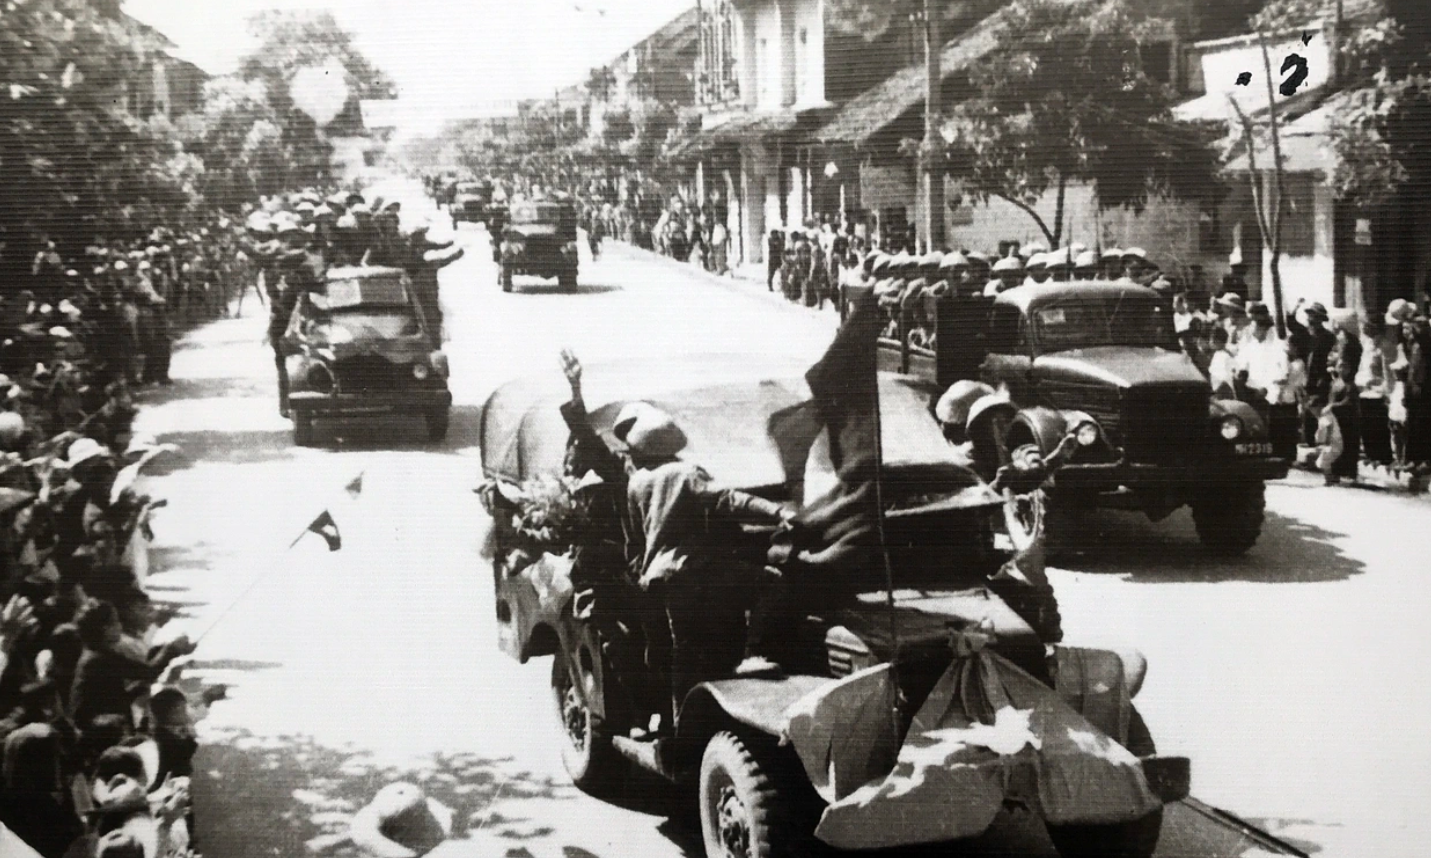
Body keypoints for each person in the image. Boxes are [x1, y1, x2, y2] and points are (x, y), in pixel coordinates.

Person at [557, 352, 791, 723]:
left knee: (672, 653)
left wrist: (575, 388)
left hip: (654, 581)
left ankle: (675, 723)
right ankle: (752, 655)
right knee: (771, 584)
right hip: (689, 572)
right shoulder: (684, 473)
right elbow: (729, 500)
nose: (625, 453)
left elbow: (637, 541)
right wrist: (778, 512)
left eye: (629, 447)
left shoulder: (635, 482)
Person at [69, 601, 193, 731]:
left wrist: (135, 690)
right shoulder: (99, 658)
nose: (120, 626)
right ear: (105, 629)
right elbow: (148, 672)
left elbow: (109, 696)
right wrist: (172, 649)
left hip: (99, 721)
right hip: (99, 729)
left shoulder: (95, 653)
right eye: (116, 622)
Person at [1288, 299, 1336, 447]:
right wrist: (1296, 306)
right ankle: (1310, 442)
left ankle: (1322, 442)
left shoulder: (1328, 337)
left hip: (1320, 378)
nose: (1311, 319)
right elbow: (1290, 322)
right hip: (1304, 376)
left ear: (1320, 319)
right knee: (1305, 410)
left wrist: (1326, 378)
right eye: (1309, 315)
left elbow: (1331, 358)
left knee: (1319, 410)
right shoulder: (1304, 334)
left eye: (1314, 316)